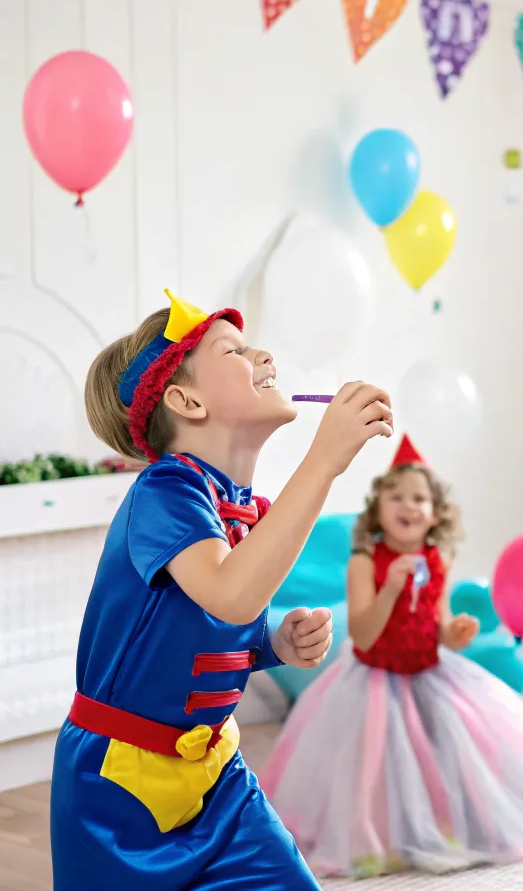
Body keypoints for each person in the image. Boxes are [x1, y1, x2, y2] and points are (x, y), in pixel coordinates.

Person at [50, 289, 393, 891]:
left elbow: (201, 622)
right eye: (234, 349)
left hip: (216, 777)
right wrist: (324, 461)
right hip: (116, 790)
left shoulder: (236, 509)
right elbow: (229, 594)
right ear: (186, 400)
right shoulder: (164, 491)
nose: (263, 355)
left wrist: (271, 643)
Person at [260, 434, 523, 878]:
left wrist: (454, 632)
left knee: (446, 755)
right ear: (378, 508)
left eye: (419, 499)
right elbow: (366, 636)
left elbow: (438, 625)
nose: (408, 506)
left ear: (434, 513)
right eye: (396, 497)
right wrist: (390, 587)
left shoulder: (436, 560)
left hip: (431, 674)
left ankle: (447, 823)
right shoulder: (364, 562)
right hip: (375, 679)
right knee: (380, 767)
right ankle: (383, 835)